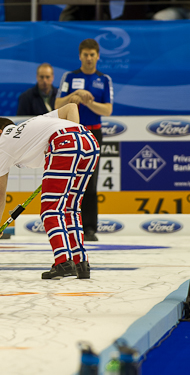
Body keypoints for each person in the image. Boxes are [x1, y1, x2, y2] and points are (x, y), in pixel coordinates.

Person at [0, 103, 99, 279]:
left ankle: (63, 262)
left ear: (0, 132)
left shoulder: (3, 146)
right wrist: (75, 131)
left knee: (50, 209)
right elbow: (71, 108)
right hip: (89, 141)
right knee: (70, 208)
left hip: (64, 143)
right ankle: (80, 263)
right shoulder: (33, 123)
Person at [54, 39, 112, 242]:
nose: (89, 58)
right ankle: (68, 224)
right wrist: (74, 95)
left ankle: (89, 228)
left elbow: (108, 109)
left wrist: (89, 101)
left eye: (92, 54)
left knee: (91, 180)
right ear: (80, 56)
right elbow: (57, 104)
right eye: (85, 54)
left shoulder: (103, 79)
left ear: (98, 56)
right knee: (69, 180)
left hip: (94, 134)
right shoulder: (69, 77)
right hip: (72, 133)